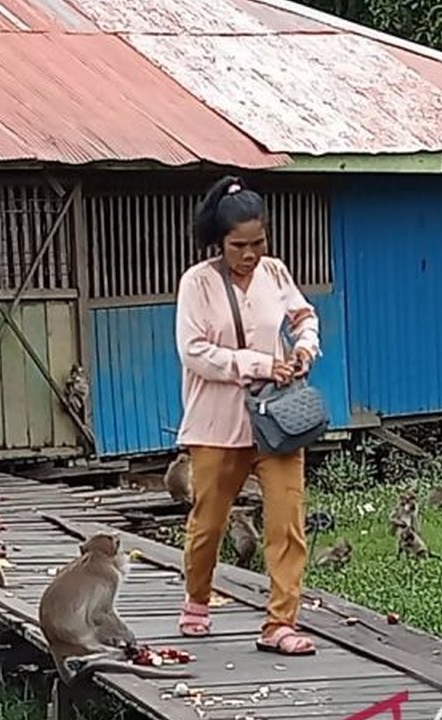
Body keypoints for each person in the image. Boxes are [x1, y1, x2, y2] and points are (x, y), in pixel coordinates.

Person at [173, 175, 320, 657]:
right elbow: (194, 351)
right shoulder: (196, 283)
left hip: (276, 424)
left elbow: (303, 317)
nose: (250, 254)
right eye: (240, 245)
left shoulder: (276, 274)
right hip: (216, 425)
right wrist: (257, 364)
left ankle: (280, 622)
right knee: (208, 523)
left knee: (286, 522)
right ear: (220, 242)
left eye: (258, 243)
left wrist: (304, 350)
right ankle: (197, 598)